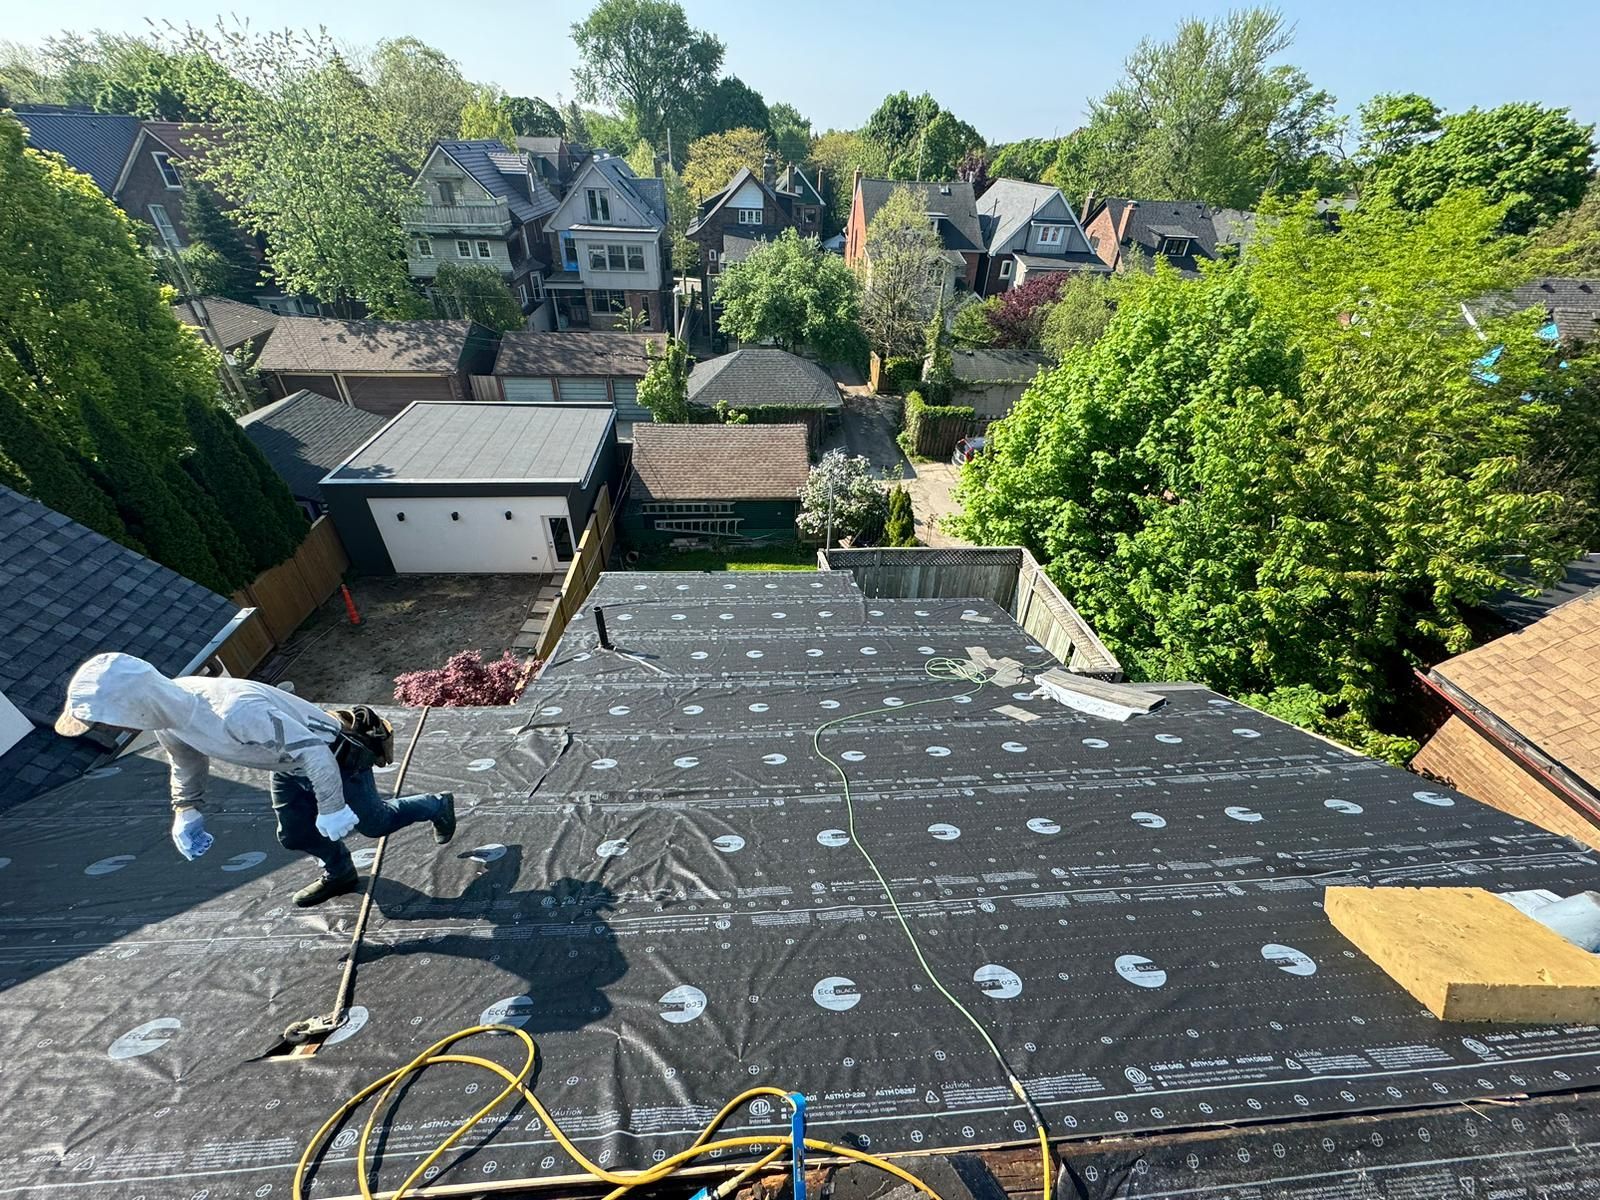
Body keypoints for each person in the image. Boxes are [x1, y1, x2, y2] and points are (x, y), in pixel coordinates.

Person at [55, 653, 455, 908]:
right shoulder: (168, 717)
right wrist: (186, 810)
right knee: (294, 835)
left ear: (132, 704)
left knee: (375, 823)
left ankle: (437, 804)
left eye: (107, 716)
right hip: (286, 768)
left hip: (334, 760)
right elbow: (185, 761)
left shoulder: (232, 711)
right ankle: (340, 873)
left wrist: (332, 806)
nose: (108, 727)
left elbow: (313, 752)